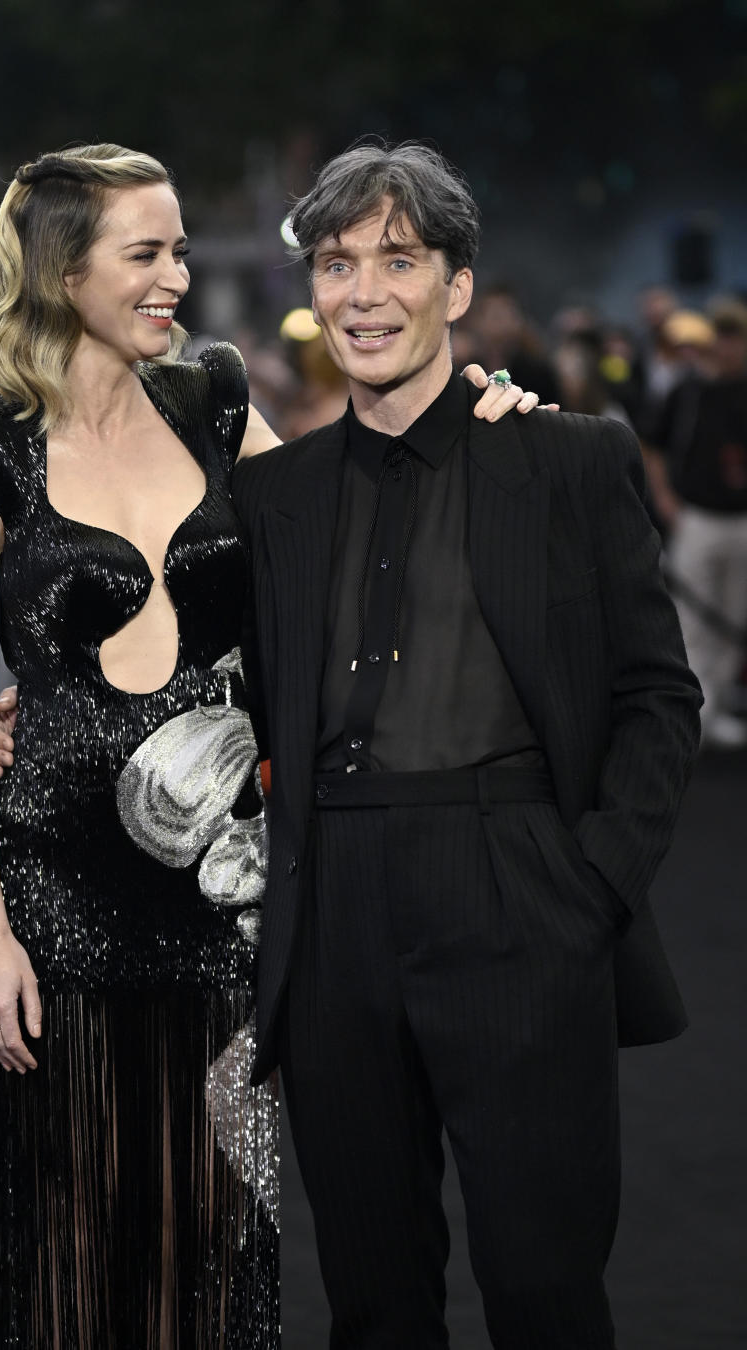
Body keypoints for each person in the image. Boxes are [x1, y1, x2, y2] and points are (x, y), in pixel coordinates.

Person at [0, 141, 537, 1349]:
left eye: (180, 250)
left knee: (215, 1241)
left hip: (226, 912)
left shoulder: (215, 405)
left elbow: (360, 516)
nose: (178, 280)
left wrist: (481, 411)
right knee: (63, 1252)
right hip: (55, 914)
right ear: (58, 270)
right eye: (146, 253)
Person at [226, 142, 701, 1348]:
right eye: (338, 264)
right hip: (334, 908)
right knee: (375, 1301)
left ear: (456, 286)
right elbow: (219, 679)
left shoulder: (566, 457)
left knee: (545, 1290)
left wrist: (593, 885)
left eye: (399, 259)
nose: (364, 291)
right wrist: (30, 713)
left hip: (520, 895)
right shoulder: (275, 499)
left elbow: (657, 691)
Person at [645, 298, 747, 748]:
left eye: (735, 338)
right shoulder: (687, 392)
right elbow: (651, 446)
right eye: (720, 337)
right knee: (690, 621)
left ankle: (720, 707)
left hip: (741, 518)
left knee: (733, 616)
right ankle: (694, 710)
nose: (727, 347)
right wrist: (667, 500)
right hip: (697, 517)